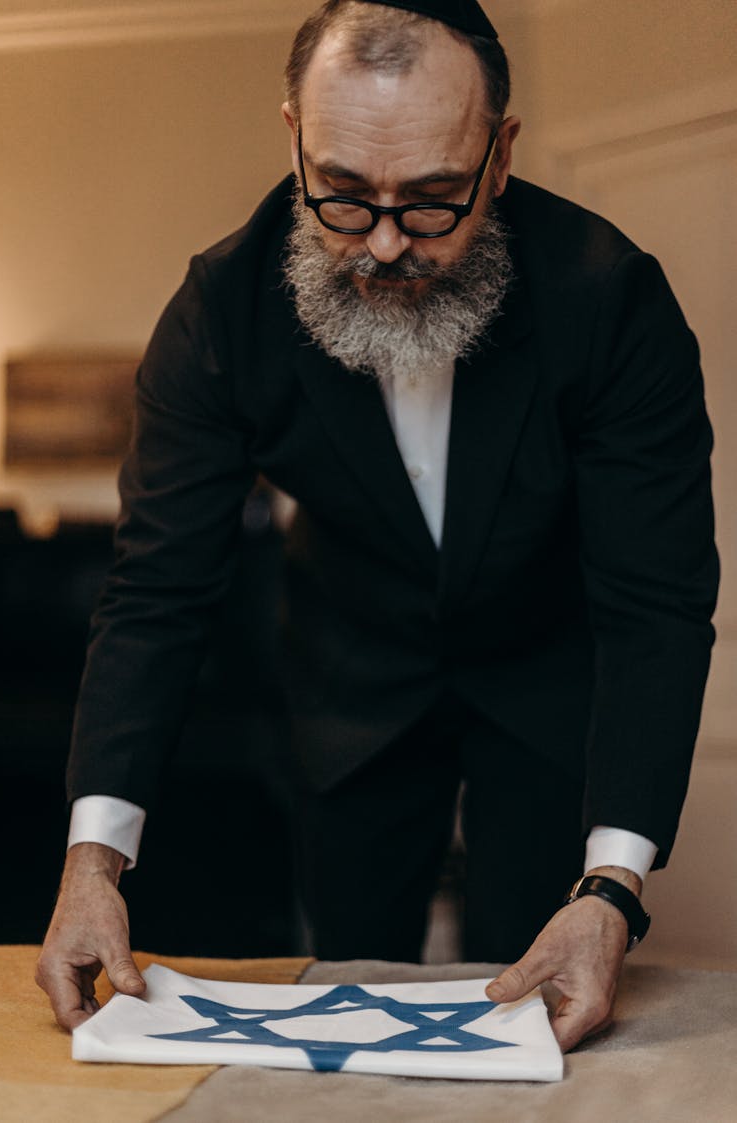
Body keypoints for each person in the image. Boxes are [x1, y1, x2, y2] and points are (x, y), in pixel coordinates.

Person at [36, 0, 718, 1052]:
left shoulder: (610, 301)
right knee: (347, 983)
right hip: (349, 678)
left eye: (435, 202)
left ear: (499, 157)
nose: (388, 243)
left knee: (538, 1005)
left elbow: (656, 604)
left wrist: (614, 887)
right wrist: (94, 861)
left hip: (544, 680)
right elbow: (158, 591)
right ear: (294, 139)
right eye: (345, 199)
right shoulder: (223, 309)